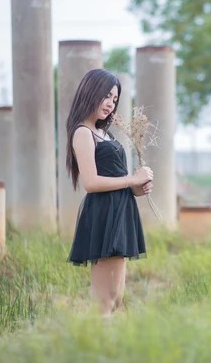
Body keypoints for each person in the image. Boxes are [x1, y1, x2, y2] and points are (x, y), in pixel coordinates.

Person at [65, 68, 153, 317]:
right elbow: (91, 183)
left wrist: (138, 187)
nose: (110, 103)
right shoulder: (83, 132)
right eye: (106, 96)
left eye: (115, 99)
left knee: (116, 298)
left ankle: (107, 346)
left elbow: (118, 179)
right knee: (105, 301)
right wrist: (130, 179)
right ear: (91, 92)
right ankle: (97, 348)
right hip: (104, 215)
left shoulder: (105, 133)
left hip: (121, 212)